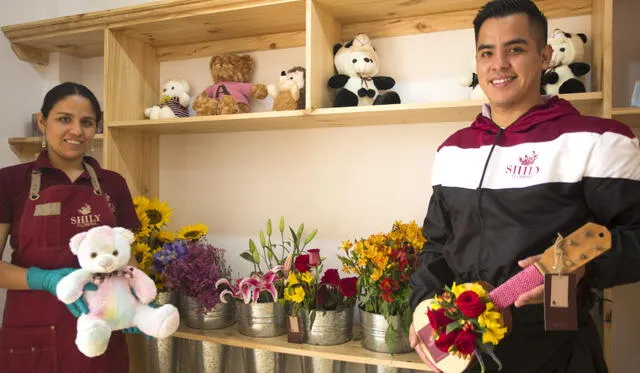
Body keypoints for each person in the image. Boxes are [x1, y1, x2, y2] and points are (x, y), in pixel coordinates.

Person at [408, 1, 640, 372]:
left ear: (545, 56)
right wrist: (422, 310)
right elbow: (437, 245)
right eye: (487, 52)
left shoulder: (598, 140)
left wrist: (584, 270)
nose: (499, 63)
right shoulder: (453, 149)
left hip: (559, 353)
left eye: (515, 49)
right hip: (469, 354)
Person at [0, 82, 140, 372]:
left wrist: (135, 299)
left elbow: (129, 258)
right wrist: (45, 280)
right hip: (34, 332)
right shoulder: (10, 182)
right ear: (42, 121)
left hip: (102, 331)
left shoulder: (113, 184)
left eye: (87, 122)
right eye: (64, 119)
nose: (76, 131)